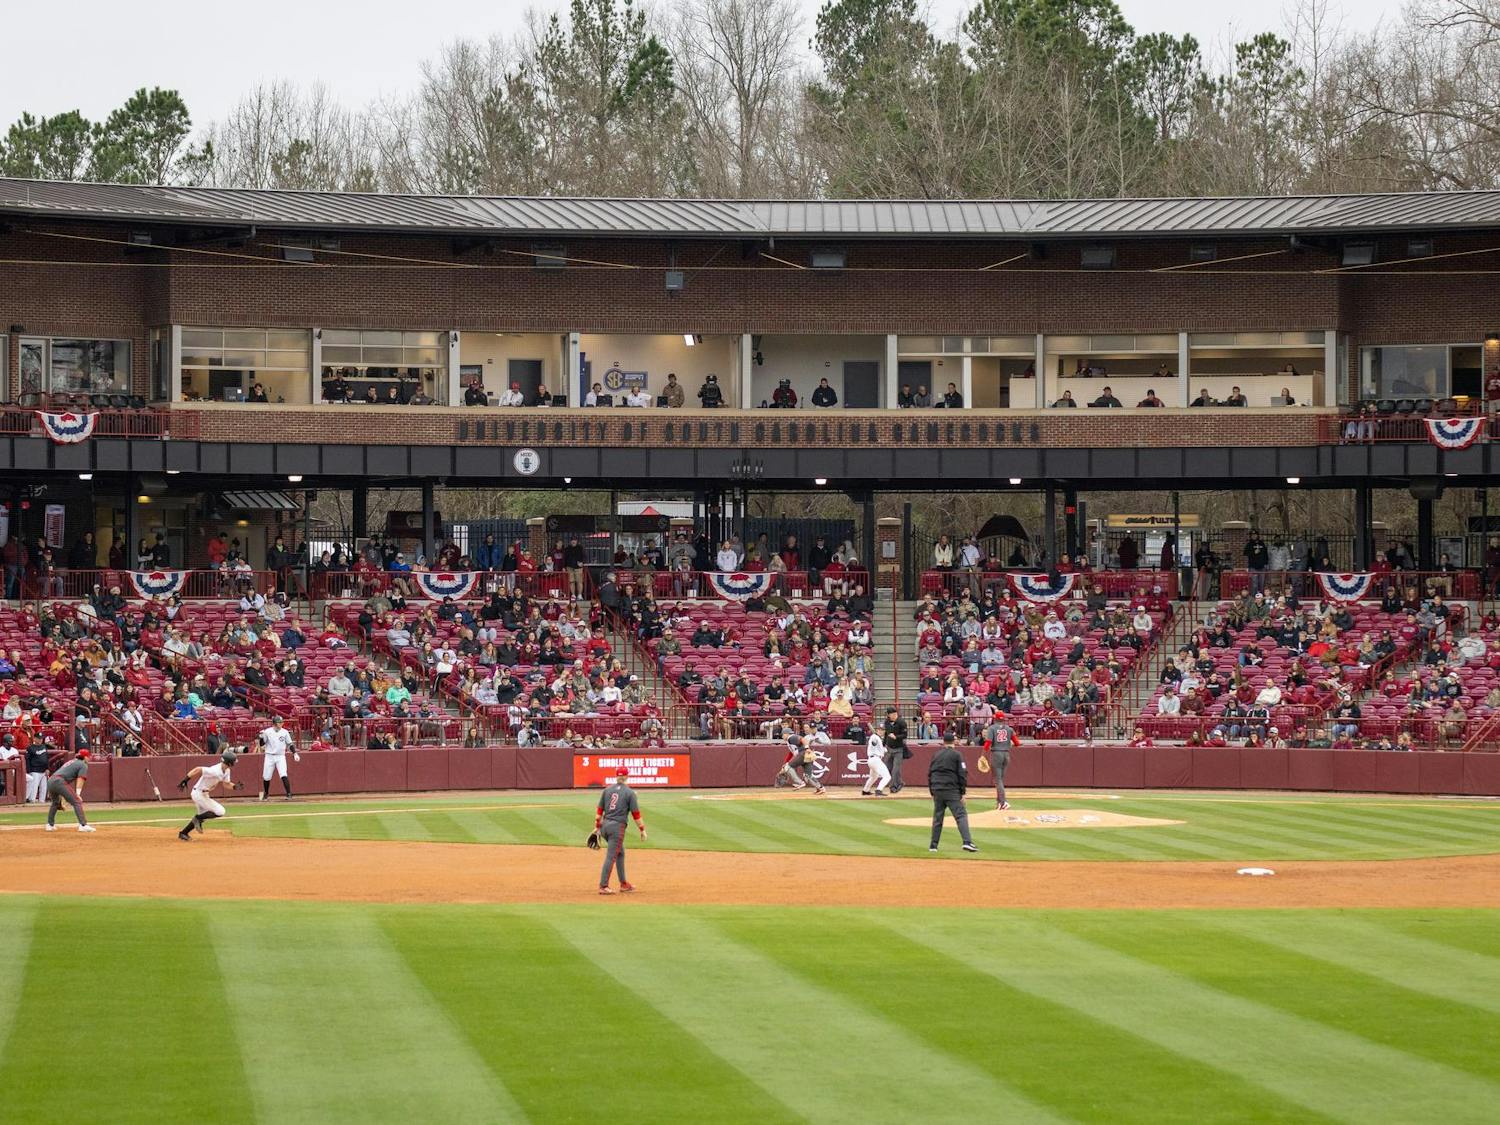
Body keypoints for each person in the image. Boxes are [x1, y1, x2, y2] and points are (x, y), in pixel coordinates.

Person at [594, 766, 646, 894]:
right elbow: (636, 815)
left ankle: (624, 884)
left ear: (616, 776)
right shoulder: (630, 793)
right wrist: (642, 829)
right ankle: (603, 885)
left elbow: (599, 812)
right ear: (627, 776)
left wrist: (596, 827)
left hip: (605, 826)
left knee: (620, 853)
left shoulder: (607, 790)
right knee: (611, 856)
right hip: (617, 828)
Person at [176, 748, 243, 841]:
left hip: (204, 794)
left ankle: (183, 833)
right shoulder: (215, 770)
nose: (235, 763)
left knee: (203, 816)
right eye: (233, 761)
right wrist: (185, 780)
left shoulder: (226, 770)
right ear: (229, 762)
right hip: (198, 794)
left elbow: (226, 784)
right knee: (220, 811)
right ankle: (197, 819)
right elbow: (198, 769)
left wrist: (235, 787)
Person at [927, 732, 977, 852]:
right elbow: (962, 774)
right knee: (961, 815)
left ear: (943, 742)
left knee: (938, 818)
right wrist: (963, 792)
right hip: (951, 790)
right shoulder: (957, 755)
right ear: (954, 742)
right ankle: (967, 842)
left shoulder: (936, 755)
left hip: (937, 789)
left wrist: (932, 791)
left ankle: (933, 846)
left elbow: (929, 773)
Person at [45, 750, 95, 832]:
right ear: (85, 757)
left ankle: (50, 825)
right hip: (59, 781)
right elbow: (81, 779)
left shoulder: (72, 761)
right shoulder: (83, 764)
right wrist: (78, 794)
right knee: (77, 801)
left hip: (51, 780)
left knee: (55, 802)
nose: (89, 758)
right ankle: (83, 825)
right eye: (88, 757)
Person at [257, 714, 300, 801]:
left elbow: (290, 744)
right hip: (269, 756)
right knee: (266, 776)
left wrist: (295, 753)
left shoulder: (284, 732)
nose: (281, 724)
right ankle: (266, 794)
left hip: (280, 756)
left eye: (281, 722)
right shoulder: (267, 731)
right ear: (274, 723)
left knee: (283, 774)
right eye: (279, 723)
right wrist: (261, 737)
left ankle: (289, 794)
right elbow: (262, 744)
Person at [983, 714, 1018, 810]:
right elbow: (1017, 743)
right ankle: (999, 802)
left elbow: (988, 742)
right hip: (1006, 754)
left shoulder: (992, 728)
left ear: (995, 719)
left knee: (998, 780)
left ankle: (1003, 802)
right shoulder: (1009, 729)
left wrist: (983, 754)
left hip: (996, 754)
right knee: (1000, 780)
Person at [882, 706, 909, 794]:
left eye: (889, 714)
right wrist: (883, 745)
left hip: (898, 749)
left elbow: (905, 735)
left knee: (895, 769)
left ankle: (893, 786)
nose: (888, 716)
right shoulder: (887, 722)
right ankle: (900, 782)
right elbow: (886, 734)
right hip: (889, 748)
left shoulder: (902, 722)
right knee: (887, 768)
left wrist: (896, 737)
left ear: (894, 714)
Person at [861, 728, 891, 796]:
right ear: (877, 730)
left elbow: (882, 749)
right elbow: (874, 743)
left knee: (873, 777)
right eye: (879, 730)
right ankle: (879, 790)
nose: (881, 731)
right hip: (875, 760)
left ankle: (865, 790)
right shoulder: (874, 737)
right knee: (887, 776)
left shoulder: (879, 738)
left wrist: (884, 749)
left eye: (882, 730)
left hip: (872, 760)